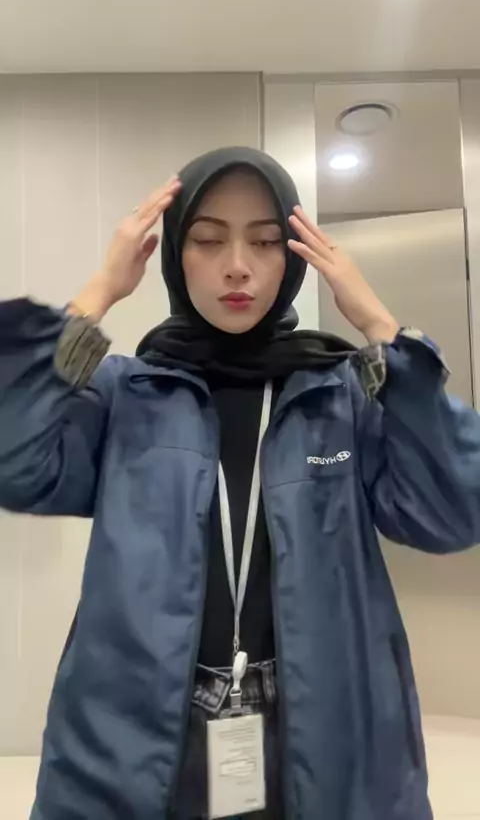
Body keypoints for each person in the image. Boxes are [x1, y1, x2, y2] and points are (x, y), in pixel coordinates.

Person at [1, 147, 479, 820]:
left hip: (325, 741)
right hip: (140, 742)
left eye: (264, 241)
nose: (237, 266)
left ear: (295, 259)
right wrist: (97, 295)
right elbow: (13, 458)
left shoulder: (339, 395)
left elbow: (456, 510)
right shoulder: (126, 394)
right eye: (207, 239)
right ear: (173, 255)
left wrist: (381, 330)